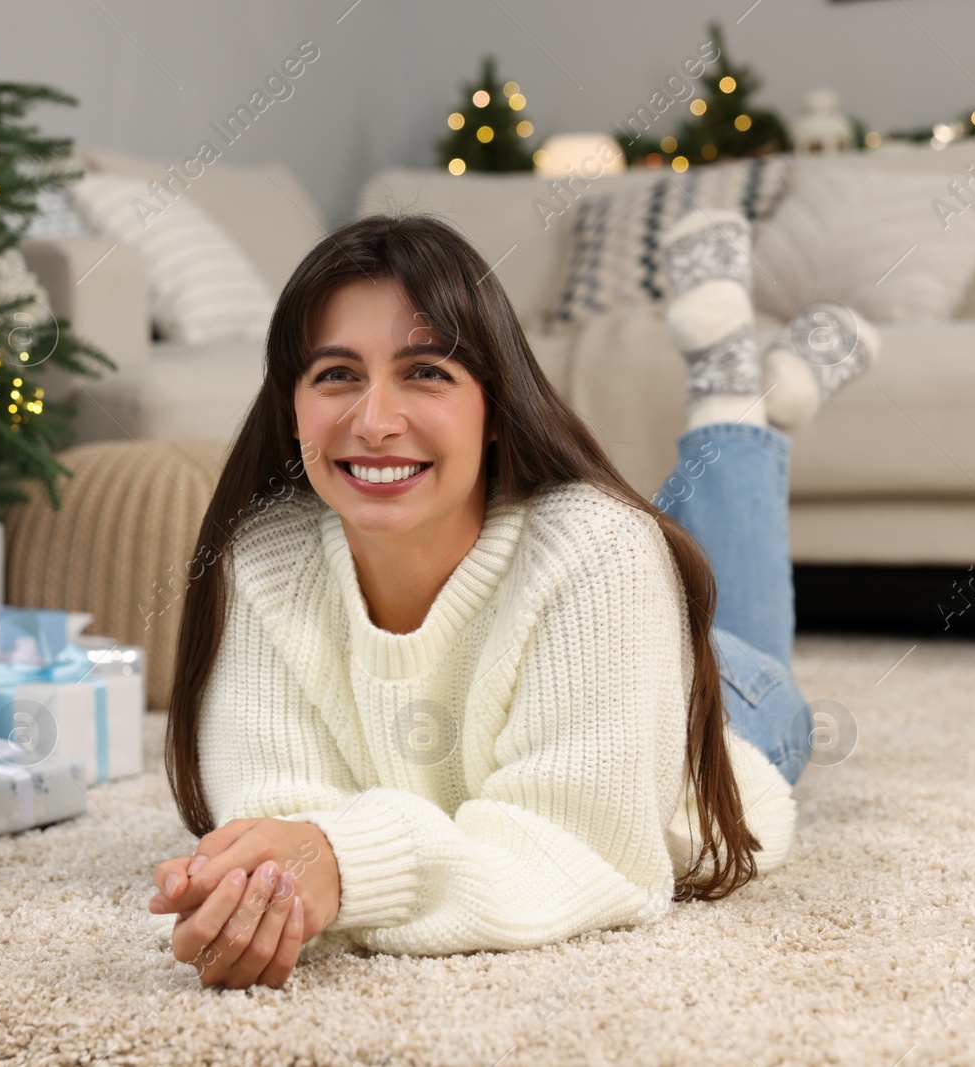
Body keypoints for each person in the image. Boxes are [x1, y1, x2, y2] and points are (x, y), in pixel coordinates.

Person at [144, 210, 877, 991]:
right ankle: (747, 391)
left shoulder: (602, 551)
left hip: (728, 700)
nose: (374, 420)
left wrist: (342, 863)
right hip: (601, 616)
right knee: (660, 551)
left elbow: (576, 851)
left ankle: (731, 393)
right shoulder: (261, 557)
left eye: (425, 371)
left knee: (691, 593)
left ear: (495, 406)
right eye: (336, 374)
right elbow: (272, 807)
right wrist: (268, 885)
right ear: (291, 408)